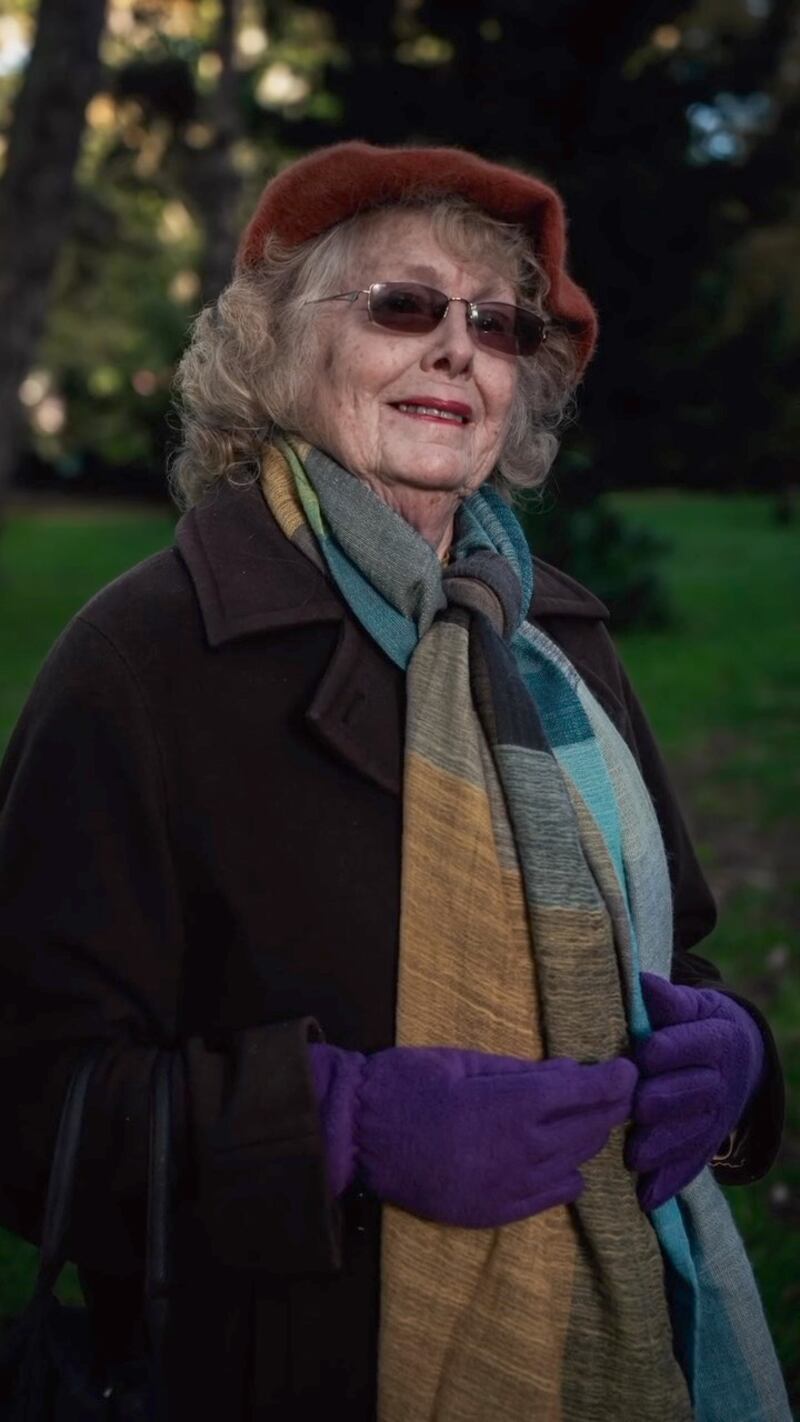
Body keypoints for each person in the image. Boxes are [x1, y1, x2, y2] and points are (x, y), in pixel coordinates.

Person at [0, 142, 789, 1422]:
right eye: (403, 305)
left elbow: (676, 955)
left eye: (497, 323)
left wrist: (735, 1056)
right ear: (275, 349)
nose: (458, 350)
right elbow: (33, 1097)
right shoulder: (142, 656)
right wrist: (342, 1127)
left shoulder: (560, 643)